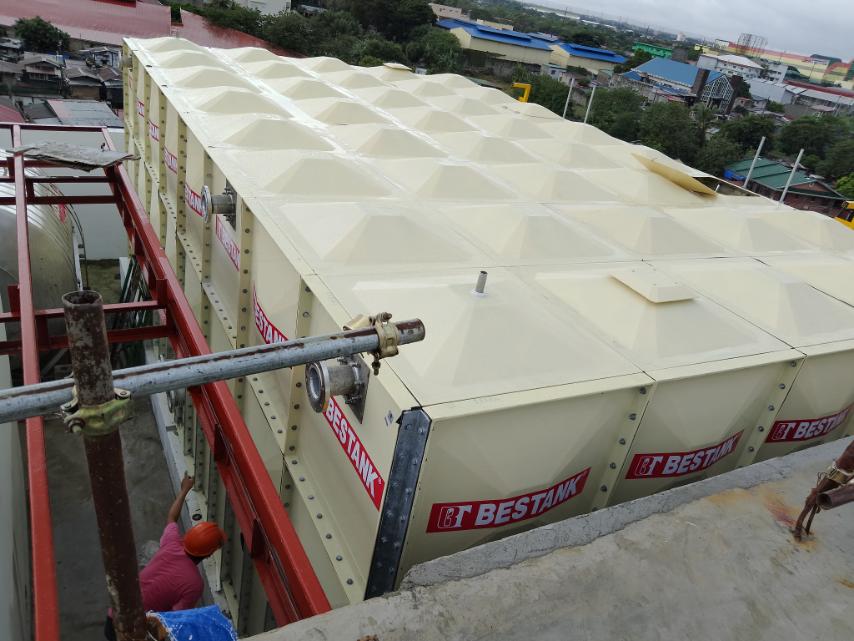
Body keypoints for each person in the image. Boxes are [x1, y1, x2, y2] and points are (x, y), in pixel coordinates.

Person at [104, 474, 227, 640]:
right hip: (132, 634)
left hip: (113, 617)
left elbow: (171, 517)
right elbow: (173, 621)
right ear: (209, 554)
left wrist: (184, 490)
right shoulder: (194, 585)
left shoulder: (172, 543)